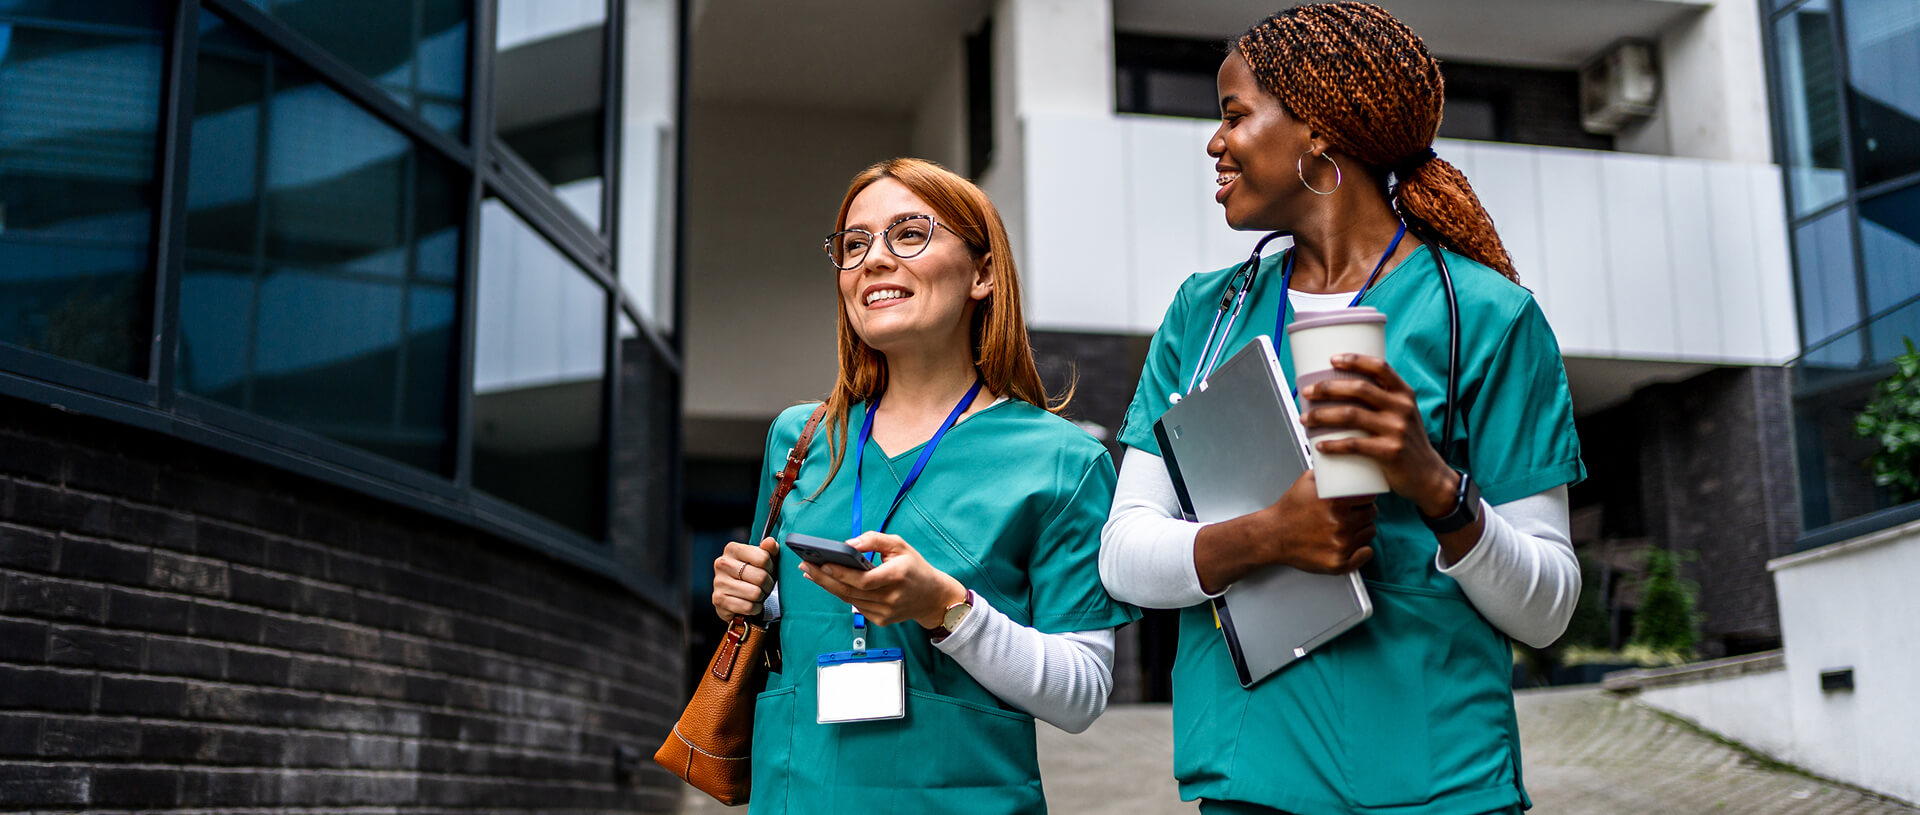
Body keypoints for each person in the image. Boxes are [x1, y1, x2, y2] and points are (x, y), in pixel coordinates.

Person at [1099, 4, 1586, 814]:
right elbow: (1123, 554)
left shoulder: (1487, 317)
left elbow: (1548, 610)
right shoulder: (1204, 316)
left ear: (1318, 129)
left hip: (1437, 784)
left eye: (1233, 115)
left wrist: (1435, 484)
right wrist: (1268, 536)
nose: (1214, 143)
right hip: (1249, 780)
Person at [709, 158, 1139, 814]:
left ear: (984, 272)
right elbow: (800, 629)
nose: (874, 259)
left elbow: (1081, 695)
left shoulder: (1063, 460)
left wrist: (945, 607)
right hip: (795, 794)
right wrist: (753, 602)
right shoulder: (798, 438)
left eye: (908, 233)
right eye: (854, 245)